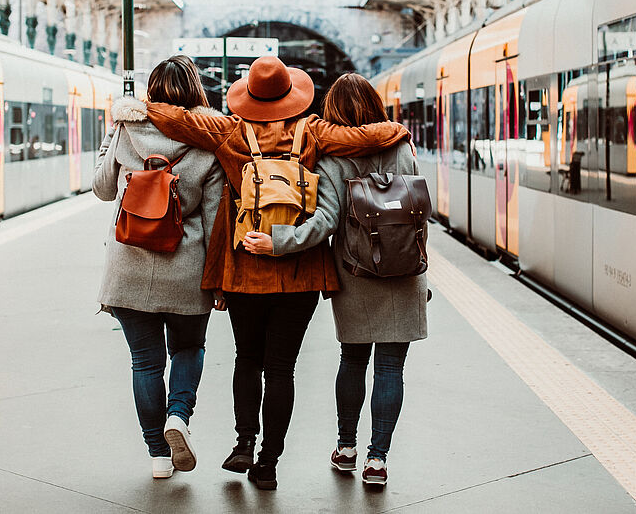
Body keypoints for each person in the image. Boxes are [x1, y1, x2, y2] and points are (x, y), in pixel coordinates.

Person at [142, 56, 411, 490]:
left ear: (248, 95)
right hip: (300, 270)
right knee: (282, 368)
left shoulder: (228, 130)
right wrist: (395, 130)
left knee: (247, 359)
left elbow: (176, 120)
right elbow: (362, 137)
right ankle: (268, 463)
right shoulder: (313, 131)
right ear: (292, 94)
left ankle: (243, 444)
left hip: (245, 264)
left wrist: (141, 106)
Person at [242, 73, 428, 487]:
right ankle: (377, 460)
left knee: (354, 360)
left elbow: (325, 221)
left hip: (357, 271)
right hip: (404, 271)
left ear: (333, 113)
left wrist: (277, 242)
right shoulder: (402, 145)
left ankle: (346, 449)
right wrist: (416, 264)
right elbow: (418, 211)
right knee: (391, 367)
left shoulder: (332, 157)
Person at [93, 55, 225, 480]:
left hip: (128, 266)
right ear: (196, 91)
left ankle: (158, 456)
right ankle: (178, 416)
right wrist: (218, 279)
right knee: (188, 348)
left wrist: (111, 140)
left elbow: (102, 189)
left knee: (145, 363)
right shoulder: (208, 137)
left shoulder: (126, 127)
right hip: (186, 268)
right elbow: (213, 218)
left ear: (150, 91)